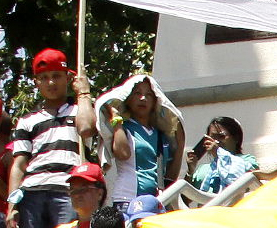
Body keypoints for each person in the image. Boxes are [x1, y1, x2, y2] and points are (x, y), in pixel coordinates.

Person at [7, 49, 96, 228]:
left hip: (68, 189)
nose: (50, 82)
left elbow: (87, 129)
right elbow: (19, 164)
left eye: (56, 76)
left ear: (68, 78)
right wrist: (12, 205)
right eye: (44, 77)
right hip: (32, 191)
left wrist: (84, 92)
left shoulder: (81, 110)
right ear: (36, 82)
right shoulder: (27, 121)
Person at [96, 75, 185, 211]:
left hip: (154, 202)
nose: (143, 98)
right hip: (127, 199)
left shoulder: (159, 134)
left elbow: (169, 177)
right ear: (129, 98)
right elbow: (122, 153)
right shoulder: (125, 127)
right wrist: (116, 121)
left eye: (148, 95)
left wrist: (180, 146)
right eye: (137, 93)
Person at [185, 117, 258, 194]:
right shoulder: (203, 170)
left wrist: (219, 152)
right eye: (212, 137)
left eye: (221, 137)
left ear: (236, 138)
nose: (216, 142)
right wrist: (190, 171)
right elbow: (184, 198)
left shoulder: (247, 161)